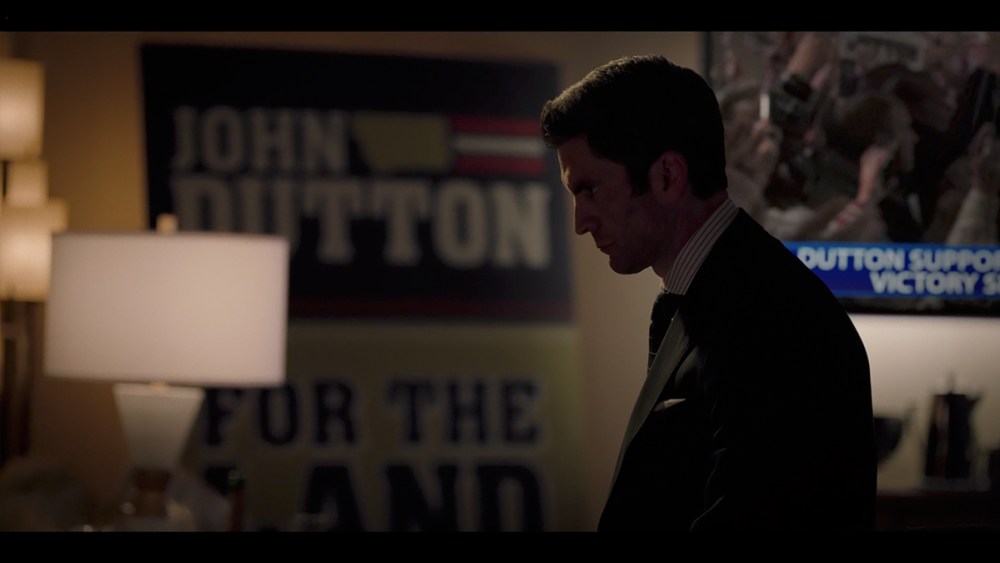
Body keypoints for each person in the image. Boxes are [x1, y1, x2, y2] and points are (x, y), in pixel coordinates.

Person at [540, 54, 876, 531]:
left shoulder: (769, 320)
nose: (581, 222)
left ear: (667, 176)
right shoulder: (724, 293)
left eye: (590, 189)